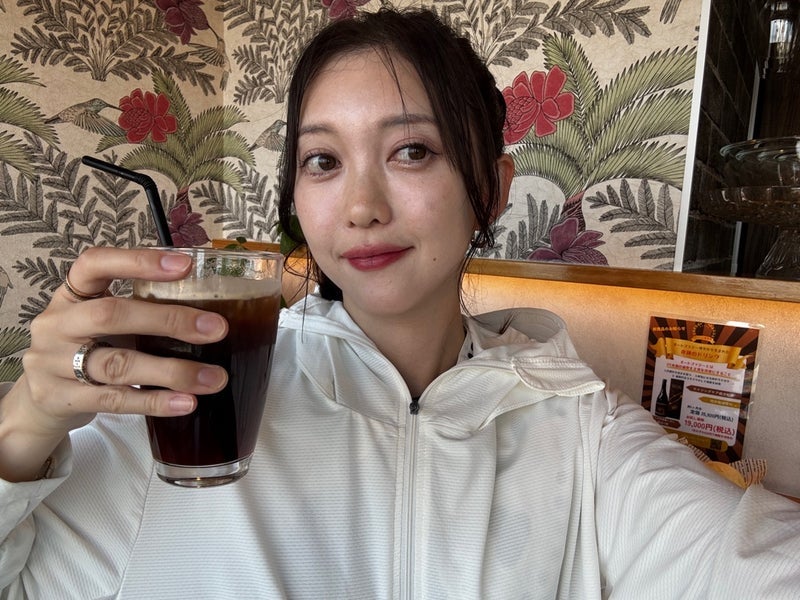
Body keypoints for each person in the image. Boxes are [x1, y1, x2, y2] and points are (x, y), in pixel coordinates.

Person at [1, 7, 798, 599]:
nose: (361, 207)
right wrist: (22, 432)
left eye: (411, 150)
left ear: (491, 187)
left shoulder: (581, 428)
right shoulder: (190, 406)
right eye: (322, 161)